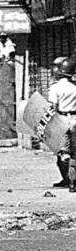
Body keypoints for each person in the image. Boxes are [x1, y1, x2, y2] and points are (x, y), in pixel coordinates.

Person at [48, 57, 76, 191]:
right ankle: (73, 182)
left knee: (63, 153)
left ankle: (67, 179)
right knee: (75, 153)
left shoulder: (55, 88)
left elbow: (52, 107)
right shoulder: (75, 87)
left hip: (62, 120)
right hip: (75, 120)